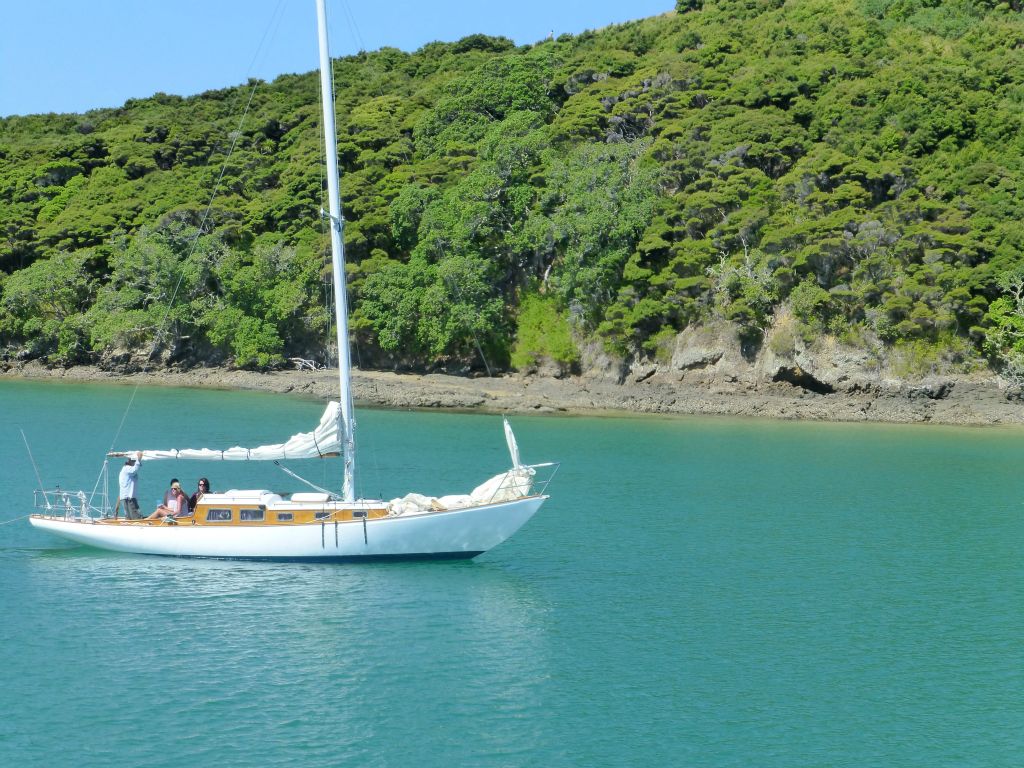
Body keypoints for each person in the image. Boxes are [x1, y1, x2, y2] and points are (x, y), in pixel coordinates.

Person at [117, 452, 143, 519]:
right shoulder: (127, 469)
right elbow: (134, 470)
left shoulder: (125, 469)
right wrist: (139, 458)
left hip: (126, 497)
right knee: (136, 517)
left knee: (129, 517)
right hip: (129, 498)